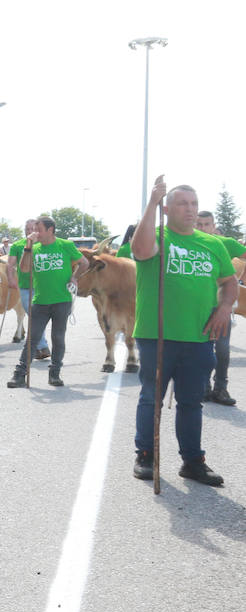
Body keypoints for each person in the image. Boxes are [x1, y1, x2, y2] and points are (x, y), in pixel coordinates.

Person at [129, 178, 237, 485]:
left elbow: (229, 282)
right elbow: (140, 249)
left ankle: (193, 461)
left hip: (200, 337)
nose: (190, 210)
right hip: (157, 335)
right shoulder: (159, 237)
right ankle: (146, 456)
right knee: (152, 397)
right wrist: (151, 202)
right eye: (182, 203)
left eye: (193, 204)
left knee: (191, 402)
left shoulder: (213, 243)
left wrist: (225, 307)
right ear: (167, 209)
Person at [7, 216, 82, 388]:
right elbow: (24, 269)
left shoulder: (65, 245)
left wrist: (74, 277)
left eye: (38, 229)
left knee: (58, 337)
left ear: (50, 230)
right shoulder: (34, 247)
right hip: (39, 300)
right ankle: (20, 374)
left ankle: (54, 373)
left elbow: (83, 263)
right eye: (33, 229)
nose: (35, 232)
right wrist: (28, 246)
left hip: (62, 301)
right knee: (32, 338)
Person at [194, 210, 242, 406]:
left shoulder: (227, 244)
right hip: (196, 307)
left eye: (207, 224)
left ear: (214, 226)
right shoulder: (189, 243)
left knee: (222, 349)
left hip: (222, 306)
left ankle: (220, 388)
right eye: (200, 224)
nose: (204, 228)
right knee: (201, 349)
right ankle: (203, 387)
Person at [5, 219, 50, 357]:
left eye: (32, 229)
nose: (29, 231)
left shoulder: (44, 244)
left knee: (38, 317)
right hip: (24, 287)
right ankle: (42, 347)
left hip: (43, 287)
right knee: (34, 316)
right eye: (27, 229)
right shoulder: (18, 245)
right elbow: (10, 264)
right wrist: (11, 279)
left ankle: (39, 347)